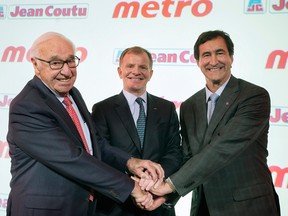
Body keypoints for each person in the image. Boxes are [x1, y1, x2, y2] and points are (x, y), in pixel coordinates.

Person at [6, 32, 165, 216]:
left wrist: (131, 163)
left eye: (70, 61)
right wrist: (131, 187)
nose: (66, 71)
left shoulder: (73, 94)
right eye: (55, 63)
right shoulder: (27, 106)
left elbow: (96, 144)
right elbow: (72, 158)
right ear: (35, 64)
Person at [142, 30, 281, 216]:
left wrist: (169, 185)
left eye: (220, 53)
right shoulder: (189, 106)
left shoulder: (254, 96)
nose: (214, 61)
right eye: (206, 55)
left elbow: (223, 147)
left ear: (231, 57)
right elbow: (188, 156)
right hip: (204, 207)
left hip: (248, 206)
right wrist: (167, 195)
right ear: (198, 62)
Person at [91, 46, 182, 216]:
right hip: (116, 206)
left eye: (143, 67)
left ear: (151, 73)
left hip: (157, 204)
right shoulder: (102, 109)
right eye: (130, 66)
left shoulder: (167, 108)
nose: (136, 71)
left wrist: (154, 180)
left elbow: (175, 152)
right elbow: (101, 153)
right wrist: (132, 183)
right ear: (120, 71)